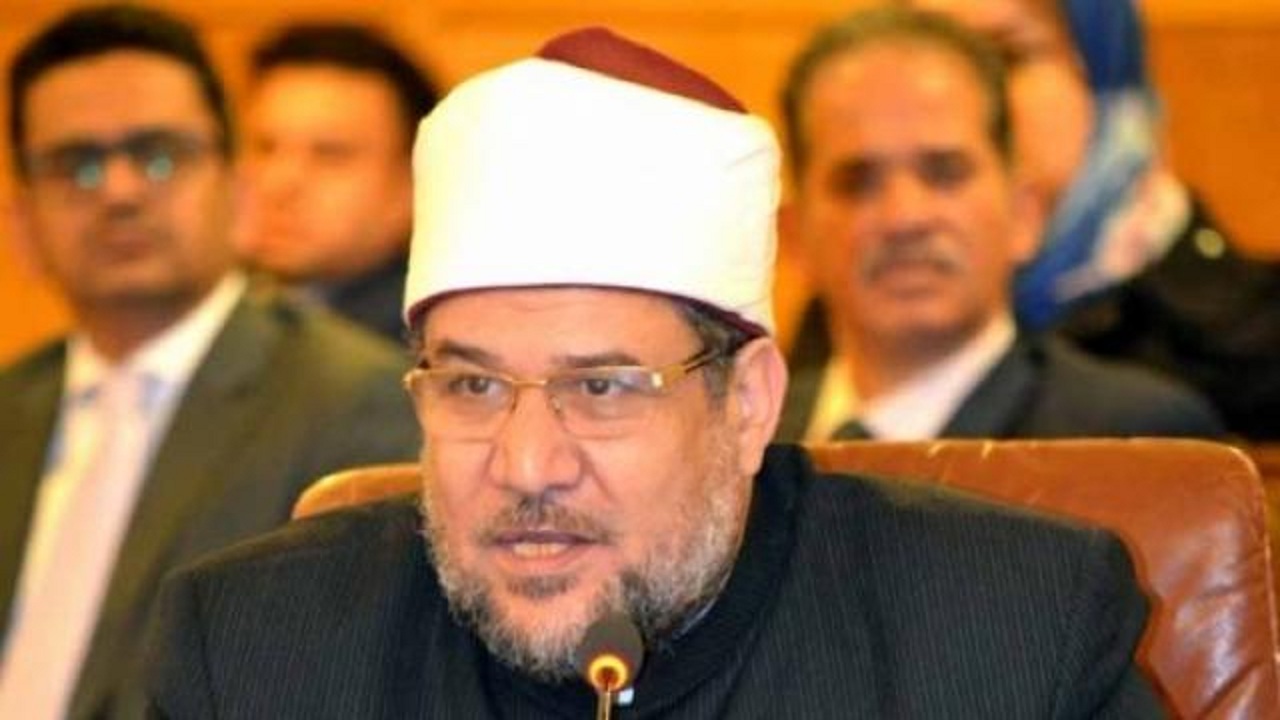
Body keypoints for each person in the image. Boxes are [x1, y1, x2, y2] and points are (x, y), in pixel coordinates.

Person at [144, 24, 1164, 717]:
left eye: (601, 387)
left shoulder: (1014, 635)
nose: (527, 466)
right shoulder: (253, 654)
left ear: (748, 404)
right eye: (473, 386)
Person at [0, 5, 419, 718]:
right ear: (21, 220)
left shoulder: (356, 402)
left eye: (160, 154)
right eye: (78, 165)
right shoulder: (14, 407)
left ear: (238, 187)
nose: (121, 191)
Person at [774, 6, 1224, 442]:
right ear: (794, 235)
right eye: (857, 184)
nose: (905, 217)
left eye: (946, 174)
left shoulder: (1133, 435)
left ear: (1023, 214)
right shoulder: (755, 441)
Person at [893, 0, 1280, 440]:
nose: (964, 101)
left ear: (1103, 70)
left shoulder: (1255, 345)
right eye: (934, 63)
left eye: (1006, 56)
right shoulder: (864, 322)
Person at [238, 22, 439, 341]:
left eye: (330, 154)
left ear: (412, 185)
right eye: (265, 148)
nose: (278, 183)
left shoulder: (431, 343)